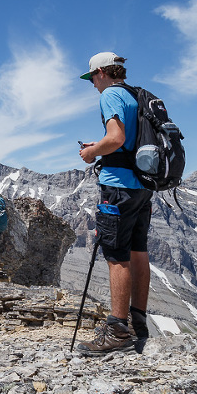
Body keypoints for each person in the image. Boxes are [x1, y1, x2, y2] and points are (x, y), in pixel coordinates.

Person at [77, 52, 153, 355]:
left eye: (92, 78)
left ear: (100, 73)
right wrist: (99, 146)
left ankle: (118, 331)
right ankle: (138, 323)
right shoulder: (137, 95)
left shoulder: (110, 94)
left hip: (118, 188)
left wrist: (92, 152)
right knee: (138, 251)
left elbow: (117, 138)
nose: (93, 84)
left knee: (116, 254)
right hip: (142, 186)